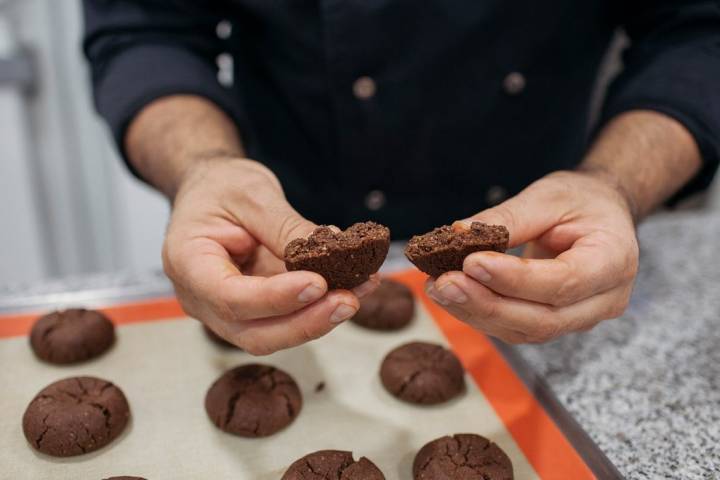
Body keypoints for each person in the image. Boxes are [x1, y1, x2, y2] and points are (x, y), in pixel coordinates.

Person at [82, 1, 719, 354]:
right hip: (271, 239)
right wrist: (203, 168)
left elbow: (699, 32)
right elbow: (145, 27)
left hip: (546, 246)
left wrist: (614, 184)